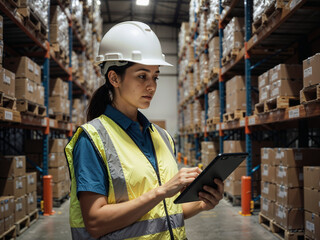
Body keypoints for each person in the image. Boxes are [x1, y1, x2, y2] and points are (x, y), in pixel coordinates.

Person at [65, 21, 224, 240]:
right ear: (114, 78)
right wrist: (162, 191)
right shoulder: (92, 140)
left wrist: (202, 204)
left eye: (155, 76)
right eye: (142, 76)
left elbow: (166, 214)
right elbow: (95, 222)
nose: (152, 86)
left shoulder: (162, 137)